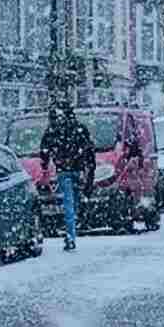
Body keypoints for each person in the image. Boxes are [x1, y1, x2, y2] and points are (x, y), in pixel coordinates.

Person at [39, 100, 94, 251]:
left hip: (64, 170)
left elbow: (44, 150)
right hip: (78, 170)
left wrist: (45, 166)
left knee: (69, 203)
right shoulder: (79, 129)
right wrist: (89, 173)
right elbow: (89, 151)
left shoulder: (54, 130)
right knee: (73, 203)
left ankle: (70, 234)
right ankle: (72, 230)